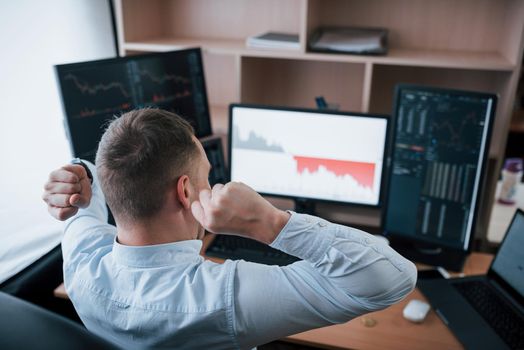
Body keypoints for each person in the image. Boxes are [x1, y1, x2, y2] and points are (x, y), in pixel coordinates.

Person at [42, 108, 417, 349]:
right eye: (208, 176)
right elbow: (392, 278)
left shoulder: (81, 262)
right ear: (186, 191)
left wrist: (77, 170)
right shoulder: (221, 298)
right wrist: (270, 222)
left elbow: (87, 195)